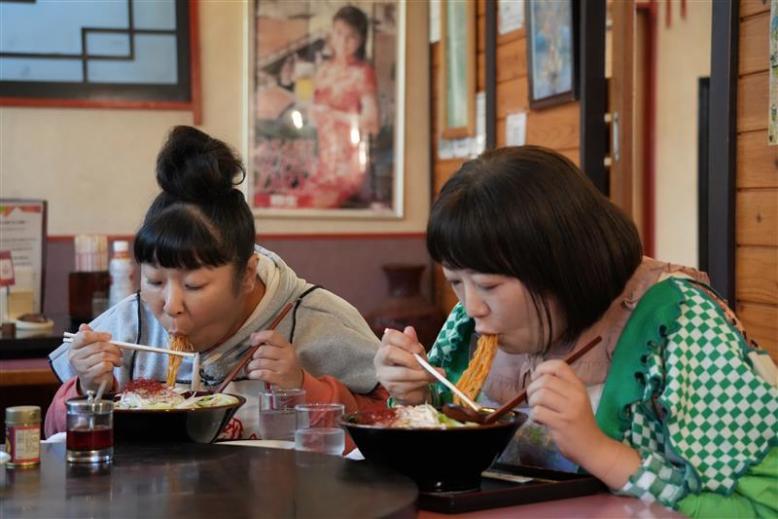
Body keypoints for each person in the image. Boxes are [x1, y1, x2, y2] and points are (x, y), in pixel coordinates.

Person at [375, 146, 777, 516]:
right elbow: (444, 471)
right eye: (455, 281)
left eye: (490, 285)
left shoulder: (679, 324)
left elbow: (763, 507)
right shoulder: (470, 324)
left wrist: (597, 449)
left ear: (561, 267)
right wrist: (413, 401)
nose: (471, 306)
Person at [46, 126, 387, 440]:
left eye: (194, 286)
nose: (170, 304)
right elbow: (54, 435)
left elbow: (391, 419)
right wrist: (87, 390)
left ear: (248, 274)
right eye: (154, 280)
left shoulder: (314, 318)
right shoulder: (126, 325)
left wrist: (302, 386)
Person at [305, 5, 380, 209]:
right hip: (323, 160)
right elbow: (313, 117)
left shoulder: (363, 72)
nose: (343, 42)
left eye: (351, 36)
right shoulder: (323, 71)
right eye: (339, 33)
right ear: (332, 33)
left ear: (361, 39)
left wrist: (335, 115)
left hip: (350, 164)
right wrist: (313, 114)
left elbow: (372, 124)